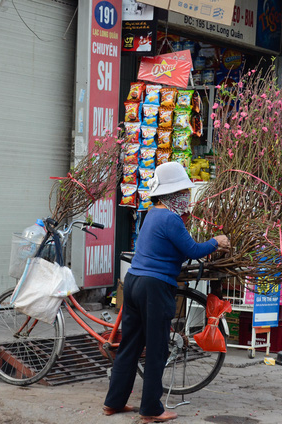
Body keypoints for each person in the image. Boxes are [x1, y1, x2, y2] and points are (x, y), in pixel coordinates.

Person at [103, 162, 230, 423]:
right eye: (183, 192)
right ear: (173, 195)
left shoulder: (152, 213)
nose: (186, 197)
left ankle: (113, 402)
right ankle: (151, 409)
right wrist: (216, 241)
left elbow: (175, 249)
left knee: (130, 345)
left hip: (134, 282)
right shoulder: (171, 218)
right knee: (157, 347)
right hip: (155, 287)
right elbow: (193, 251)